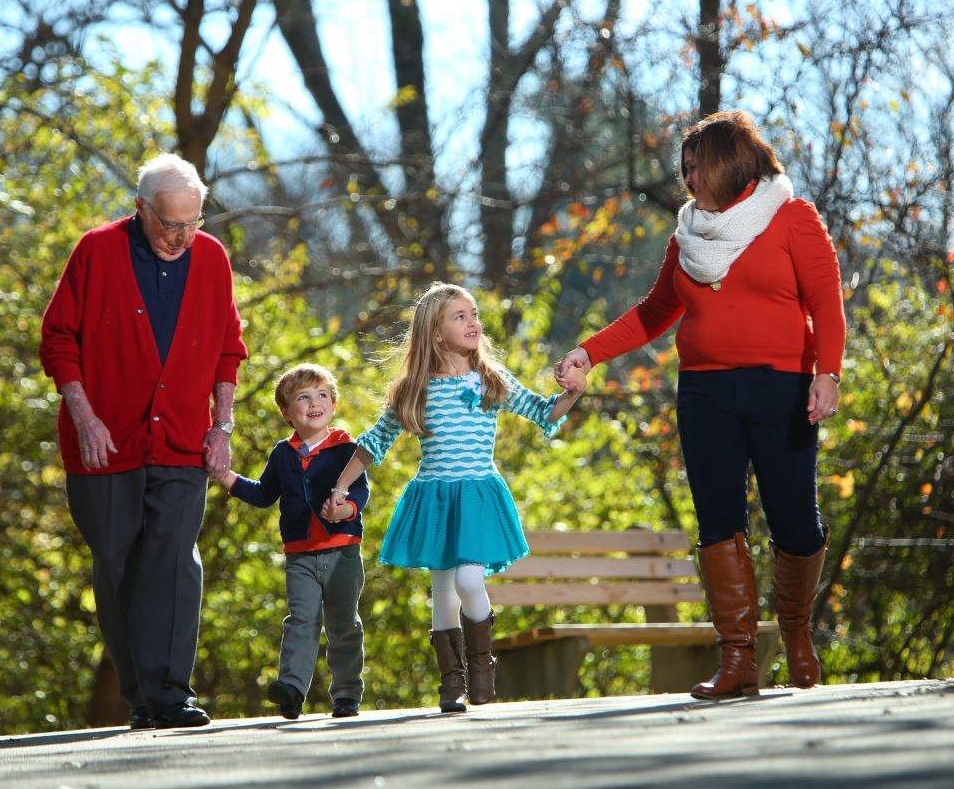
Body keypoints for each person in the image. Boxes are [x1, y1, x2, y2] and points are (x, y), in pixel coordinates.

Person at [556, 110, 846, 700]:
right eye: (684, 170)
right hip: (705, 393)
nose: (687, 182)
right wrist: (591, 352)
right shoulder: (687, 235)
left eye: (696, 168)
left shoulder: (791, 218)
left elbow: (826, 299)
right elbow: (654, 311)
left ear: (728, 163)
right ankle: (738, 658)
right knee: (718, 520)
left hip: (781, 387)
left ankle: (795, 633)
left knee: (794, 519)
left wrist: (829, 375)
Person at [39, 153, 248, 729]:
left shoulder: (211, 257)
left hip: (182, 439)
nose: (181, 237)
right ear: (140, 209)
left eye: (193, 222)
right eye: (169, 223)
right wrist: (85, 417)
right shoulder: (97, 250)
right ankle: (143, 697)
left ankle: (171, 695)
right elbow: (58, 339)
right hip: (102, 444)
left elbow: (229, 347)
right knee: (119, 565)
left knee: (176, 562)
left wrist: (221, 425)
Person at [324, 282, 586, 712]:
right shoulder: (415, 387)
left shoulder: (489, 379)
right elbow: (375, 441)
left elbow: (543, 412)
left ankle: (482, 667)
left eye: (474, 314)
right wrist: (340, 486)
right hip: (434, 496)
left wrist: (571, 394)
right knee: (443, 590)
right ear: (435, 333)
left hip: (477, 494)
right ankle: (452, 683)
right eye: (460, 316)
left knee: (468, 580)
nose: (473, 323)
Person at [217, 363, 370, 721]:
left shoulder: (346, 448)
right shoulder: (283, 454)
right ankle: (292, 689)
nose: (314, 403)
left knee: (343, 622)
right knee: (301, 620)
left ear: (333, 405)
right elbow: (263, 494)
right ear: (287, 413)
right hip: (300, 556)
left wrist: (345, 507)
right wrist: (226, 476)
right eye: (303, 397)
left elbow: (360, 490)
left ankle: (346, 692)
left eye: (322, 396)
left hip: (342, 552)